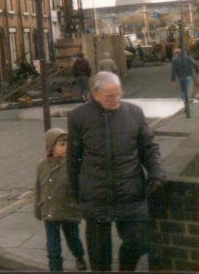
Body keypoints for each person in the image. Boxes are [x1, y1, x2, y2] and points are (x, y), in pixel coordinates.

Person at [67, 72, 165, 271]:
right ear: (94, 95)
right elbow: (73, 159)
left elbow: (148, 147)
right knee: (99, 257)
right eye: (109, 96)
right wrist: (77, 191)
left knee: (139, 242)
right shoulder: (78, 117)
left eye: (118, 94)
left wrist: (156, 171)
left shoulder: (134, 113)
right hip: (96, 195)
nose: (116, 100)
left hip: (130, 191)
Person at [35, 128, 87, 272]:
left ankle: (79, 256)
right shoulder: (42, 165)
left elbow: (80, 188)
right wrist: (38, 209)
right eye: (62, 144)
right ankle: (55, 268)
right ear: (51, 147)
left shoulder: (73, 165)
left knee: (73, 240)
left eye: (68, 144)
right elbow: (39, 188)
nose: (66, 148)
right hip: (50, 211)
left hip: (68, 209)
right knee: (53, 246)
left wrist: (79, 207)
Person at [170, 48, 198, 118]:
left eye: (175, 54)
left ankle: (186, 107)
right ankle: (187, 107)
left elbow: (173, 71)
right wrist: (198, 72)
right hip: (188, 77)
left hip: (181, 79)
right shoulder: (188, 58)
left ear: (177, 54)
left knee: (183, 92)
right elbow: (195, 64)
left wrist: (173, 80)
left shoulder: (174, 61)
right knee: (188, 92)